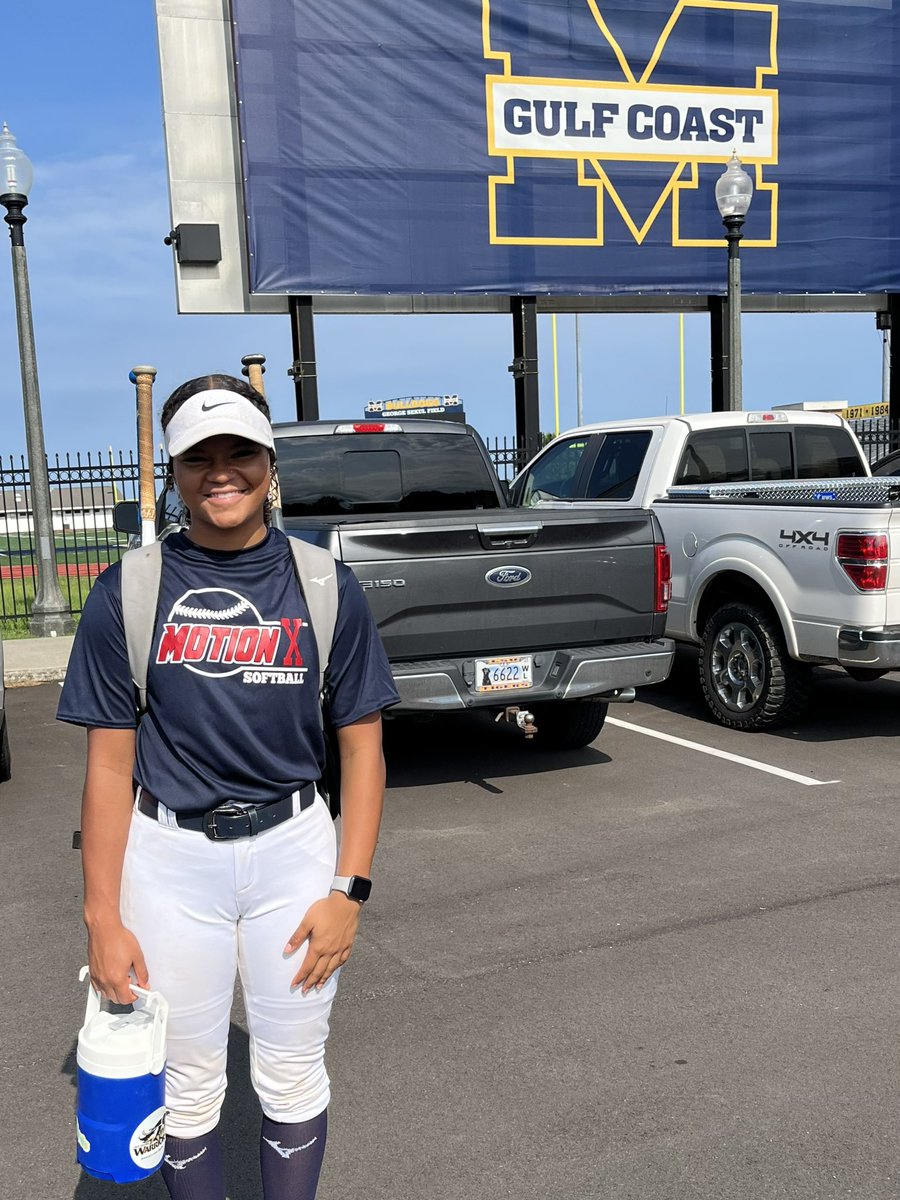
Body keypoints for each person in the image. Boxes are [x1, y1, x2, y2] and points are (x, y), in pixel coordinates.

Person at [58, 374, 399, 1200]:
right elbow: (108, 767)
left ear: (270, 462)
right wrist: (102, 917)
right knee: (189, 1086)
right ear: (172, 471)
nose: (221, 471)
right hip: (170, 862)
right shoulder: (130, 593)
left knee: (290, 1076)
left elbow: (363, 749)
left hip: (294, 854)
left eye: (239, 451)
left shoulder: (323, 586)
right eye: (198, 456)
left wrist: (349, 892)